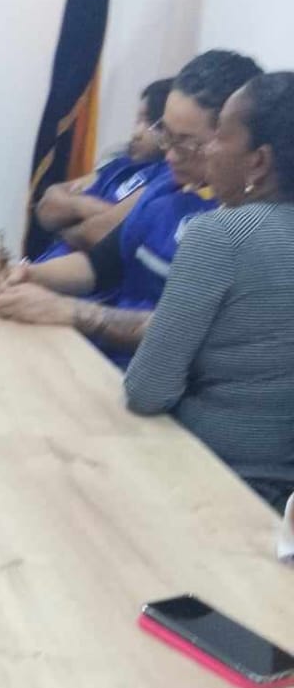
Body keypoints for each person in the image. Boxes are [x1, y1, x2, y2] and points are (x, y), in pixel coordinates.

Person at [0, 50, 263, 362]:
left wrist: (73, 311)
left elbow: (188, 332)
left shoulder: (248, 225)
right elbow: (100, 265)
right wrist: (26, 275)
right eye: (166, 136)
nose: (170, 155)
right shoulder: (167, 184)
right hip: (98, 355)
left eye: (187, 143)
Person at [124, 72, 294, 508]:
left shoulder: (221, 235)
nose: (209, 151)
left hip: (209, 480)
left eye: (219, 136)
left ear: (258, 161)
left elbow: (147, 391)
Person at [32, 78, 173, 257]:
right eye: (137, 121)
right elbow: (46, 207)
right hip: (47, 262)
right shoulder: (120, 163)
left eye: (147, 121)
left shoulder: (167, 178)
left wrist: (68, 221)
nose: (136, 133)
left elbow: (98, 235)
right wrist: (86, 207)